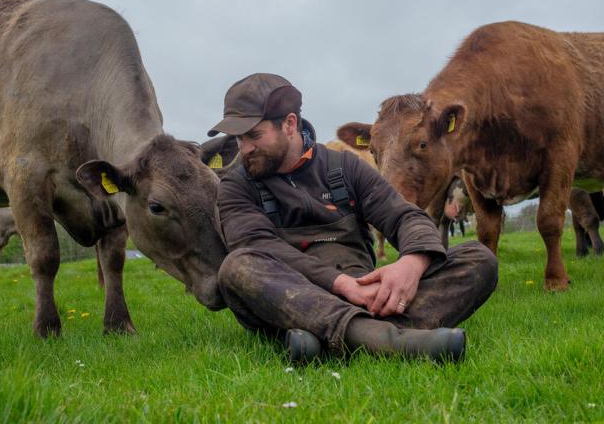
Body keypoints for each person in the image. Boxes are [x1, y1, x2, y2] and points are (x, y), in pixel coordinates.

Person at [209, 73, 497, 363]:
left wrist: (414, 261)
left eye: (254, 136)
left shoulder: (344, 167)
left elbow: (403, 216)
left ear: (289, 124)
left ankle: (320, 339)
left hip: (367, 290)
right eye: (239, 138)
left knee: (479, 258)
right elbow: (259, 245)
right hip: (290, 296)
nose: (244, 148)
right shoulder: (236, 186)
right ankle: (391, 341)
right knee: (238, 267)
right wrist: (341, 284)